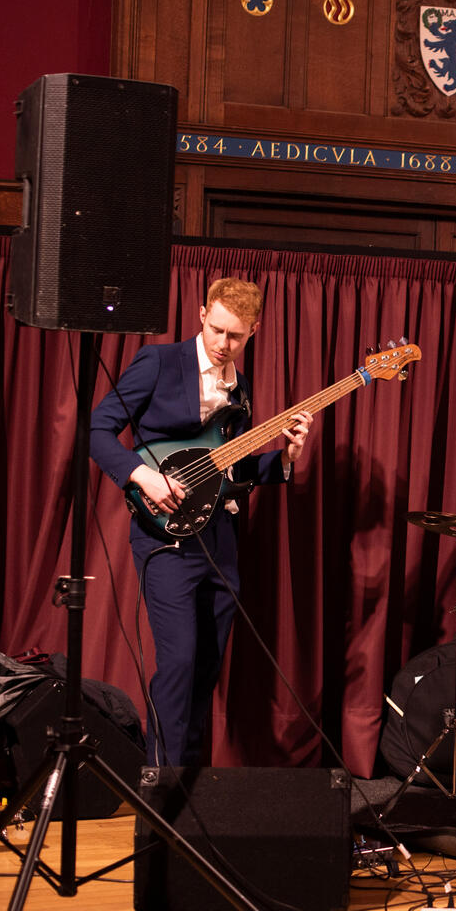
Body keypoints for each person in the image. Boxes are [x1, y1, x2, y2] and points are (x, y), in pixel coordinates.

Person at [90, 277, 311, 767]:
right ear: (202, 314)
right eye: (216, 330)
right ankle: (162, 783)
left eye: (236, 336)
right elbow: (98, 430)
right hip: (165, 537)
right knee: (178, 662)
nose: (222, 344)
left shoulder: (240, 387)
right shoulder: (159, 362)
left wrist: (286, 457)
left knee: (207, 667)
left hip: (220, 538)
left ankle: (188, 780)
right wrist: (143, 476)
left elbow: (231, 470)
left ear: (254, 331)